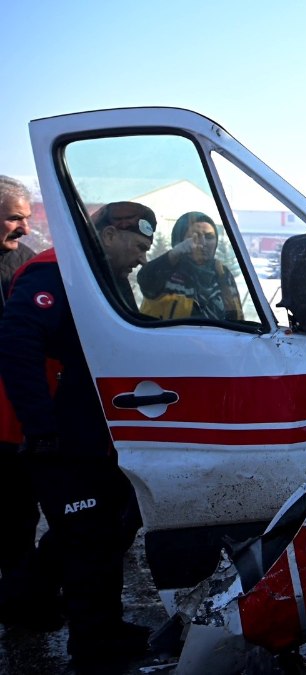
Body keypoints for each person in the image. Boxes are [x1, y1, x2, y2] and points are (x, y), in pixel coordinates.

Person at [0, 201, 155, 663]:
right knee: (87, 534)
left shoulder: (96, 278)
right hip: (44, 429)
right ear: (108, 235)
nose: (144, 258)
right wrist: (41, 427)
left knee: (93, 526)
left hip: (82, 429)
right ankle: (95, 642)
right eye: (140, 246)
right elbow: (17, 344)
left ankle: (27, 603)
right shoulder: (53, 272)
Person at [0, 176, 51, 629]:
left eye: (26, 218)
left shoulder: (26, 263)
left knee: (18, 515)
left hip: (12, 415)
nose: (23, 227)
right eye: (14, 217)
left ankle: (20, 605)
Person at [138, 211, 243, 321]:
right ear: (180, 240)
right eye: (195, 237)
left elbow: (236, 317)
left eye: (209, 237)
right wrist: (175, 253)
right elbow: (145, 280)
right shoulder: (166, 270)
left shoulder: (222, 274)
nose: (203, 243)